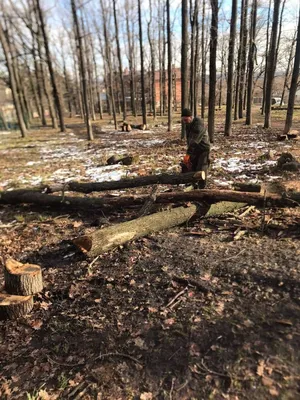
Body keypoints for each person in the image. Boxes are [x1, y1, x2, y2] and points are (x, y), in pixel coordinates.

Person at [181, 108, 210, 188]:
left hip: (203, 149)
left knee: (201, 168)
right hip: (194, 149)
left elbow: (194, 141)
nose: (185, 122)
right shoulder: (188, 124)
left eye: (186, 120)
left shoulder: (199, 124)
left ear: (190, 117)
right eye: (183, 120)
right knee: (192, 167)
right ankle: (193, 185)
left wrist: (187, 154)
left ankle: (202, 188)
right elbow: (189, 140)